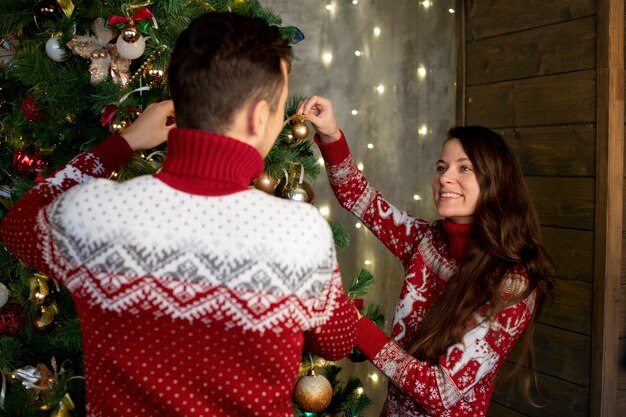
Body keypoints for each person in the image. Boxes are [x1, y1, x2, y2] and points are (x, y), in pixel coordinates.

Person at [0, 14, 357, 417]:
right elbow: (338, 340)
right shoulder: (300, 235)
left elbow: (18, 223)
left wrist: (124, 142)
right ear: (259, 117)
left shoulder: (94, 215)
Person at [296, 96, 554, 417]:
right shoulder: (426, 239)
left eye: (464, 168)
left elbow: (438, 391)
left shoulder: (512, 286)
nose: (445, 177)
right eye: (442, 167)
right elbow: (358, 196)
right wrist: (332, 135)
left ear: (495, 183)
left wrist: (356, 326)